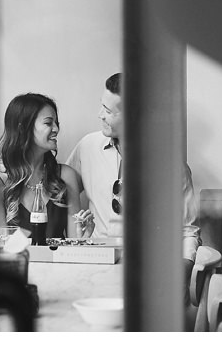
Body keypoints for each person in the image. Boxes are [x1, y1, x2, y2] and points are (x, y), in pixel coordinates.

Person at [66, 73, 201, 285]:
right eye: (102, 106)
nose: (99, 115)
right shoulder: (87, 146)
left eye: (109, 111)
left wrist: (181, 274)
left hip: (149, 276)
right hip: (95, 271)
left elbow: (187, 232)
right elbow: (59, 187)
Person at [0, 92, 92, 239]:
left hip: (61, 263)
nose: (56, 129)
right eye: (48, 123)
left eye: (56, 123)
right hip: (18, 262)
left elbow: (74, 245)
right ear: (22, 128)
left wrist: (83, 237)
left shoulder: (65, 176)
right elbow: (1, 249)